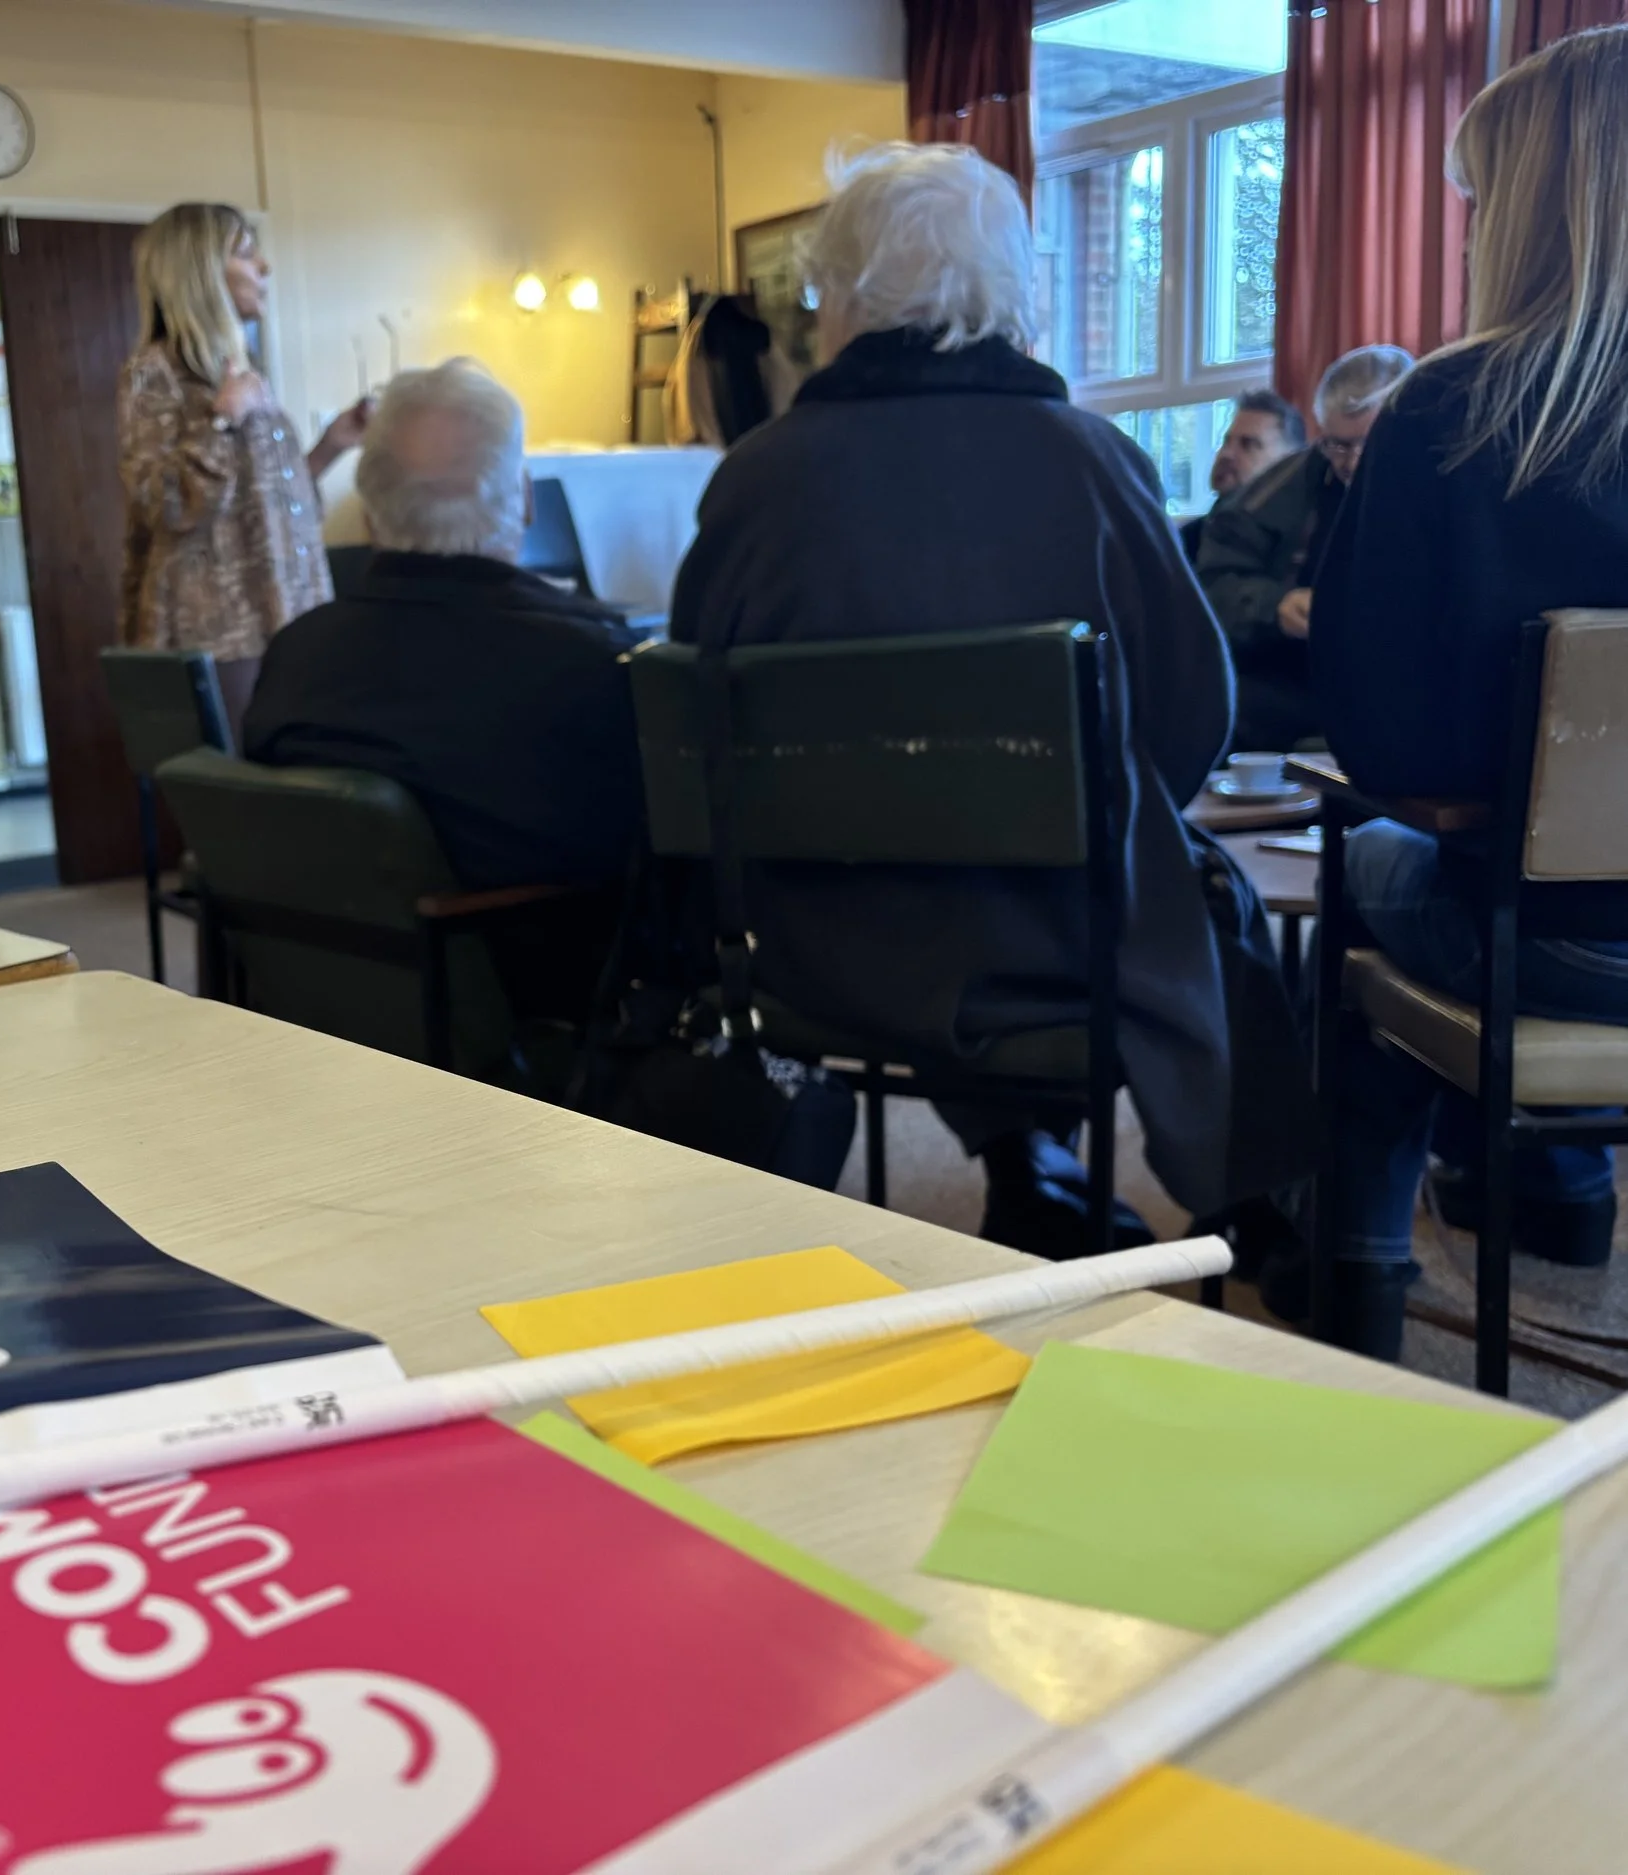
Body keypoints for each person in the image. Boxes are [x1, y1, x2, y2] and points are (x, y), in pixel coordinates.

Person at [670, 141, 1312, 1256]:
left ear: (842, 297)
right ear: (1014, 290)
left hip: (809, 941)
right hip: (1053, 941)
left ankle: (1029, 1168)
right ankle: (1264, 1216)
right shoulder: (1092, 462)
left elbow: (693, 725)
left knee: (977, 885)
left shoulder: (754, 480)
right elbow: (1191, 720)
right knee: (1203, 902)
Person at [1309, 25, 1628, 1355]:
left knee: (1359, 881)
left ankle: (1357, 1284)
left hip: (1555, 940)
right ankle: (1567, 1194)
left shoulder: (1452, 409)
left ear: (1535, 209)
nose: (1465, 231)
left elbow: (1385, 740)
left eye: (1480, 198)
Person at [244, 361, 642, 1015]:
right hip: (533, 1050)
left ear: (370, 516)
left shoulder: (294, 656)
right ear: (527, 498)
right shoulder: (596, 668)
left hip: (323, 1031)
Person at [118, 203, 370, 697]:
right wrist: (222, 418)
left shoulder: (238, 372)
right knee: (240, 774)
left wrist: (331, 446)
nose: (265, 268)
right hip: (222, 636)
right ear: (203, 274)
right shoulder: (155, 373)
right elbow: (163, 505)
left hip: (288, 619)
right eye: (248, 255)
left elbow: (271, 507)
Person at [1198, 346, 1414, 750]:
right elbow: (1210, 593)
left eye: (1366, 444)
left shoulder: (1447, 486)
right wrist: (1275, 606)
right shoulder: (1264, 500)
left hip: (1405, 686)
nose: (1350, 463)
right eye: (1337, 445)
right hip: (1299, 681)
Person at [1179, 390, 1305, 560]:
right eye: (1226, 442)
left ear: (1288, 462)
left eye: (1248, 444)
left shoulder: (1303, 547)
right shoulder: (1185, 544)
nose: (1227, 454)